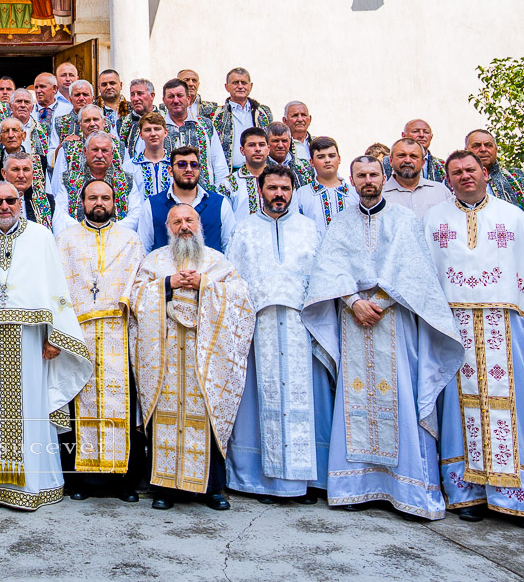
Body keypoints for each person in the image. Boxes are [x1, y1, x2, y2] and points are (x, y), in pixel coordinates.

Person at [302, 155, 464, 520]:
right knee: (353, 395)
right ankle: (355, 486)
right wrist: (354, 301)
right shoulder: (340, 223)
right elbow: (329, 271)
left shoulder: (405, 220)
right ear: (353, 181)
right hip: (354, 321)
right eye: (361, 176)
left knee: (402, 396)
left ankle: (404, 487)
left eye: (374, 174)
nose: (368, 180)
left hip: (396, 321)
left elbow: (417, 273)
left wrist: (382, 300)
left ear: (383, 176)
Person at [427, 150, 524, 526]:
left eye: (470, 170)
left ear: (485, 173)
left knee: (519, 406)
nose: (464, 176)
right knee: (457, 408)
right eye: (456, 172)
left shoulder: (512, 216)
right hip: (455, 329)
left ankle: (522, 497)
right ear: (448, 179)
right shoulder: (434, 219)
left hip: (507, 325)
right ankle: (465, 492)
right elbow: (424, 274)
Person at [0, 182, 93, 509]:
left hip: (30, 339)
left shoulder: (41, 236)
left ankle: (30, 486)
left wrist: (55, 336)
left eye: (10, 200)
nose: (4, 206)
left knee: (30, 409)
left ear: (21, 200)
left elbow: (55, 286)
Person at [126, 204, 252, 510]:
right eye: (177, 221)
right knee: (165, 415)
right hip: (165, 355)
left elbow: (242, 298)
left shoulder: (217, 261)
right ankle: (165, 489)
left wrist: (204, 286)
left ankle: (213, 489)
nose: (184, 226)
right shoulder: (154, 261)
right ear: (168, 228)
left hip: (205, 355)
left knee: (207, 414)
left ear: (199, 224)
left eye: (189, 220)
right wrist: (167, 284)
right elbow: (135, 298)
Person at [223, 166, 331, 502]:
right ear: (260, 190)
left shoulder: (310, 230)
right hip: (261, 329)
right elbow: (233, 281)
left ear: (293, 191)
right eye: (272, 188)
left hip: (302, 328)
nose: (279, 194)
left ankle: (305, 480)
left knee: (306, 402)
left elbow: (323, 276)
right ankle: (263, 481)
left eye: (285, 188)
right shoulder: (245, 231)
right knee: (261, 401)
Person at [56, 178, 146, 502]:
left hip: (118, 333)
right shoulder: (65, 240)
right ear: (81, 202)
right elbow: (57, 290)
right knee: (78, 403)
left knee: (121, 401)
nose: (99, 203)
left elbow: (139, 282)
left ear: (114, 202)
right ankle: (81, 480)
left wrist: (121, 305)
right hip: (78, 333)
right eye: (92, 197)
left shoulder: (130, 240)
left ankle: (123, 481)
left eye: (105, 197)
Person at [127, 144, 224, 252]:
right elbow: (143, 249)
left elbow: (228, 247)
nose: (188, 169)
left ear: (199, 170)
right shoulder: (152, 205)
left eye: (194, 165)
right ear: (170, 171)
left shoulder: (220, 204)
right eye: (182, 164)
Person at [465, 129, 524, 231]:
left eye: (488, 145)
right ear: (466, 151)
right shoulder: (455, 183)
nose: (483, 149)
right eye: (476, 145)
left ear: (496, 150)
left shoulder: (516, 180)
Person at [159, 78, 228, 178]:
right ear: (164, 101)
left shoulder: (205, 125)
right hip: (168, 191)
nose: (176, 100)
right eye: (171, 96)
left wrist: (220, 189)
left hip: (203, 191)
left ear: (188, 98)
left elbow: (218, 162)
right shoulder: (157, 128)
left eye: (180, 96)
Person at [211, 68, 275, 165]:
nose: (240, 86)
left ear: (251, 86)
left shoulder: (263, 113)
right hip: (228, 173)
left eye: (244, 83)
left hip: (259, 172)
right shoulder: (216, 115)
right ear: (226, 87)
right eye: (235, 83)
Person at [383, 138, 451, 218]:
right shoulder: (381, 196)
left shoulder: (440, 191)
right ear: (391, 161)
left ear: (422, 163)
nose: (407, 160)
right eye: (401, 156)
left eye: (413, 156)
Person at [295, 137, 352, 225]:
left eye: (332, 156)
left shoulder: (354, 193)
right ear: (312, 162)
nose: (327, 160)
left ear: (339, 159)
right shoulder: (302, 195)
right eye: (321, 157)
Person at [402, 119, 446, 183]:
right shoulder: (388, 163)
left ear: (431, 137)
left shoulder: (441, 165)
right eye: (415, 131)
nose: (421, 135)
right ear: (403, 136)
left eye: (426, 132)